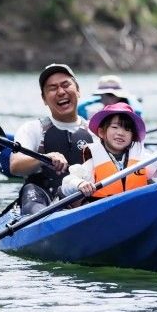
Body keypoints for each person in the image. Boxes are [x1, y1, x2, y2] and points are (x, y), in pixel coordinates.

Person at [62, 102, 157, 201]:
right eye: (115, 127)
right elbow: (67, 182)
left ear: (133, 136)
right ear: (102, 132)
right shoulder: (94, 162)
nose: (121, 133)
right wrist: (80, 184)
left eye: (127, 129)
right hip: (106, 216)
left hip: (138, 211)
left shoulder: (142, 159)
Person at [11, 63, 95, 215]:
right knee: (30, 190)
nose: (61, 92)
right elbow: (15, 166)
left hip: (83, 196)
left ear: (78, 91)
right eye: (52, 88)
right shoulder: (32, 128)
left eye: (66, 85)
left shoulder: (95, 131)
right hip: (42, 199)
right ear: (44, 99)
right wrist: (43, 158)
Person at [77, 74, 143, 119]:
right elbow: (78, 109)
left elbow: (138, 113)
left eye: (110, 95)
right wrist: (96, 99)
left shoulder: (128, 113)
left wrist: (130, 98)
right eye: (102, 95)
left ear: (119, 97)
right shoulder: (98, 114)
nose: (105, 99)